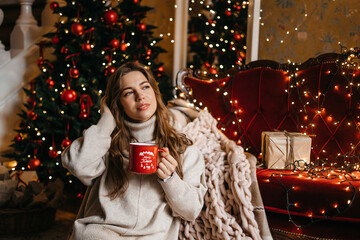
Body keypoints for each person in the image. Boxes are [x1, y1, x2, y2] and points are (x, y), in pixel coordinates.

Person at [62, 61, 207, 240]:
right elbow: (78, 165)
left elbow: (191, 211)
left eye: (145, 87)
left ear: (154, 92)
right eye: (128, 92)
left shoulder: (182, 147)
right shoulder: (105, 141)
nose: (140, 96)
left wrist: (170, 179)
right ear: (118, 103)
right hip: (101, 233)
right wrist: (107, 119)